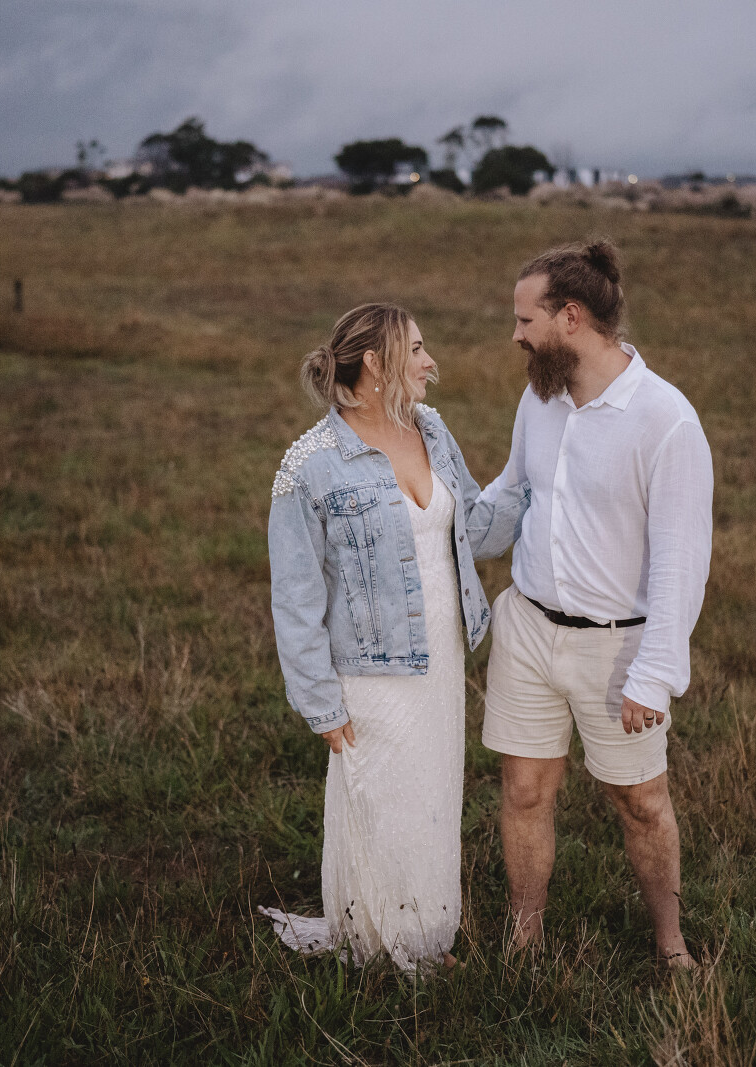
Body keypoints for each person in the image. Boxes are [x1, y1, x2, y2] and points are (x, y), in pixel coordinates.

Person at [260, 302, 528, 973]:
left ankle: (424, 935)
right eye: (417, 350)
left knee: (432, 797)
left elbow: (474, 527)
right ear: (376, 363)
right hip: (369, 671)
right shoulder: (310, 466)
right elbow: (295, 599)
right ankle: (385, 945)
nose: (431, 363)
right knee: (380, 801)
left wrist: (533, 473)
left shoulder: (431, 429)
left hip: (441, 657)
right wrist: (320, 702)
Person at [478, 240, 713, 969]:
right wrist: (436, 520)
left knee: (640, 801)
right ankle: (525, 940)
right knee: (524, 791)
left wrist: (655, 675)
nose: (516, 335)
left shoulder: (666, 421)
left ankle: (670, 947)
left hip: (618, 648)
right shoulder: (540, 398)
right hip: (527, 628)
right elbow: (512, 492)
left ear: (571, 318)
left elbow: (681, 562)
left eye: (526, 320)